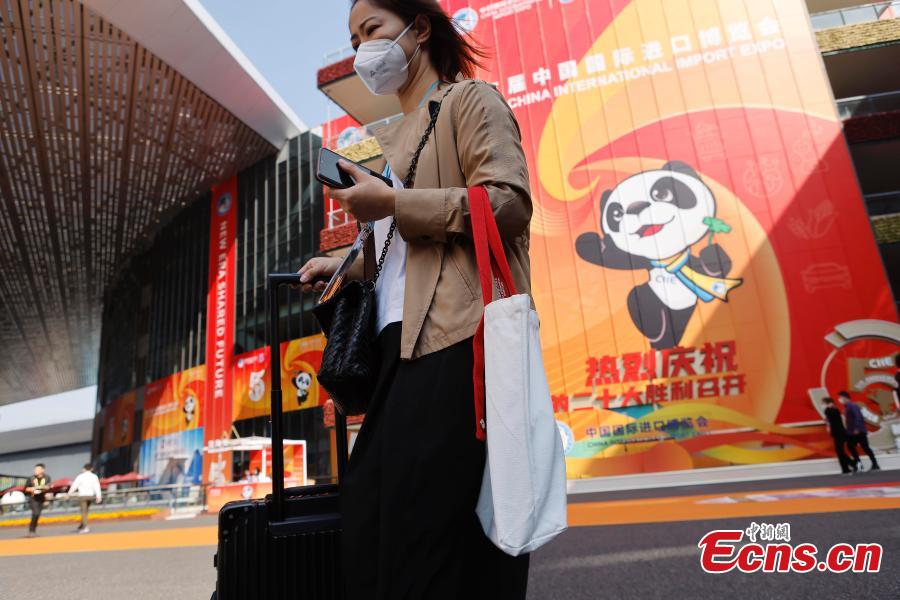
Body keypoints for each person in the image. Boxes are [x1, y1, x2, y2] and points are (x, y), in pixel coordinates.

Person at [297, 1, 532, 597]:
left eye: (371, 30)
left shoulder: (470, 101)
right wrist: (344, 264)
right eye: (354, 40)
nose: (361, 50)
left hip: (457, 336)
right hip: (395, 347)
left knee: (425, 526)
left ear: (419, 28)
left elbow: (507, 204)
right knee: (374, 517)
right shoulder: (399, 136)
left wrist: (393, 204)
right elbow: (399, 252)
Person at [839, 391, 880, 471]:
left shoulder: (852, 406)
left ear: (845, 397)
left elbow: (858, 416)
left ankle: (874, 464)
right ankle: (859, 464)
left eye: (841, 397)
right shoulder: (846, 407)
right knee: (850, 446)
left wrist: (857, 428)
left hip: (858, 431)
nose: (840, 399)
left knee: (865, 447)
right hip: (851, 432)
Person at [822, 397, 856, 475]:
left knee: (839, 450)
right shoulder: (831, 410)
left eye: (823, 403)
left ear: (828, 403)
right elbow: (829, 420)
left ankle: (851, 465)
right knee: (839, 451)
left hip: (840, 433)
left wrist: (829, 408)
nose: (823, 405)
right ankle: (847, 467)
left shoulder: (831, 410)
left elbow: (832, 417)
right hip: (836, 433)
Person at [67, 463, 102, 533]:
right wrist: (99, 496)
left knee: (83, 512)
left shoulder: (80, 476)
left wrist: (69, 494)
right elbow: (97, 486)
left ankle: (85, 527)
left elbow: (74, 485)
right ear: (91, 469)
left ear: (84, 469)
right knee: (86, 511)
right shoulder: (94, 476)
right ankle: (82, 525)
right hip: (91, 495)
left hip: (82, 496)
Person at [24, 463, 51, 536]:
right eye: (35, 469)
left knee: (37, 514)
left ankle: (33, 530)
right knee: (35, 513)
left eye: (38, 469)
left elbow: (48, 487)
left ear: (42, 470)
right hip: (33, 498)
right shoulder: (31, 478)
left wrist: (46, 499)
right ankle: (31, 531)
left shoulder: (47, 477)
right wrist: (32, 489)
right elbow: (26, 489)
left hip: (42, 498)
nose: (35, 471)